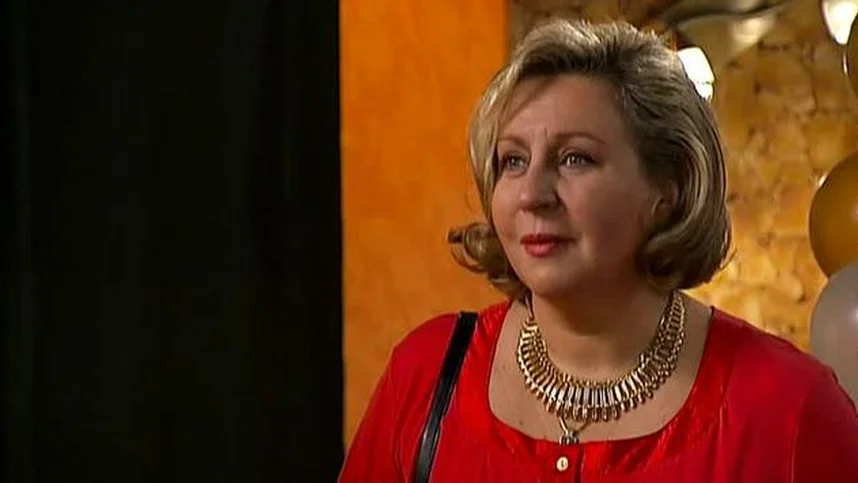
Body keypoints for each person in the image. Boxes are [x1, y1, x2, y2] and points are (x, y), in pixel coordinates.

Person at [338, 18, 858, 482]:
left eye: (575, 159)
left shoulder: (787, 410)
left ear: (668, 188)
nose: (532, 195)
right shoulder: (428, 376)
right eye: (513, 161)